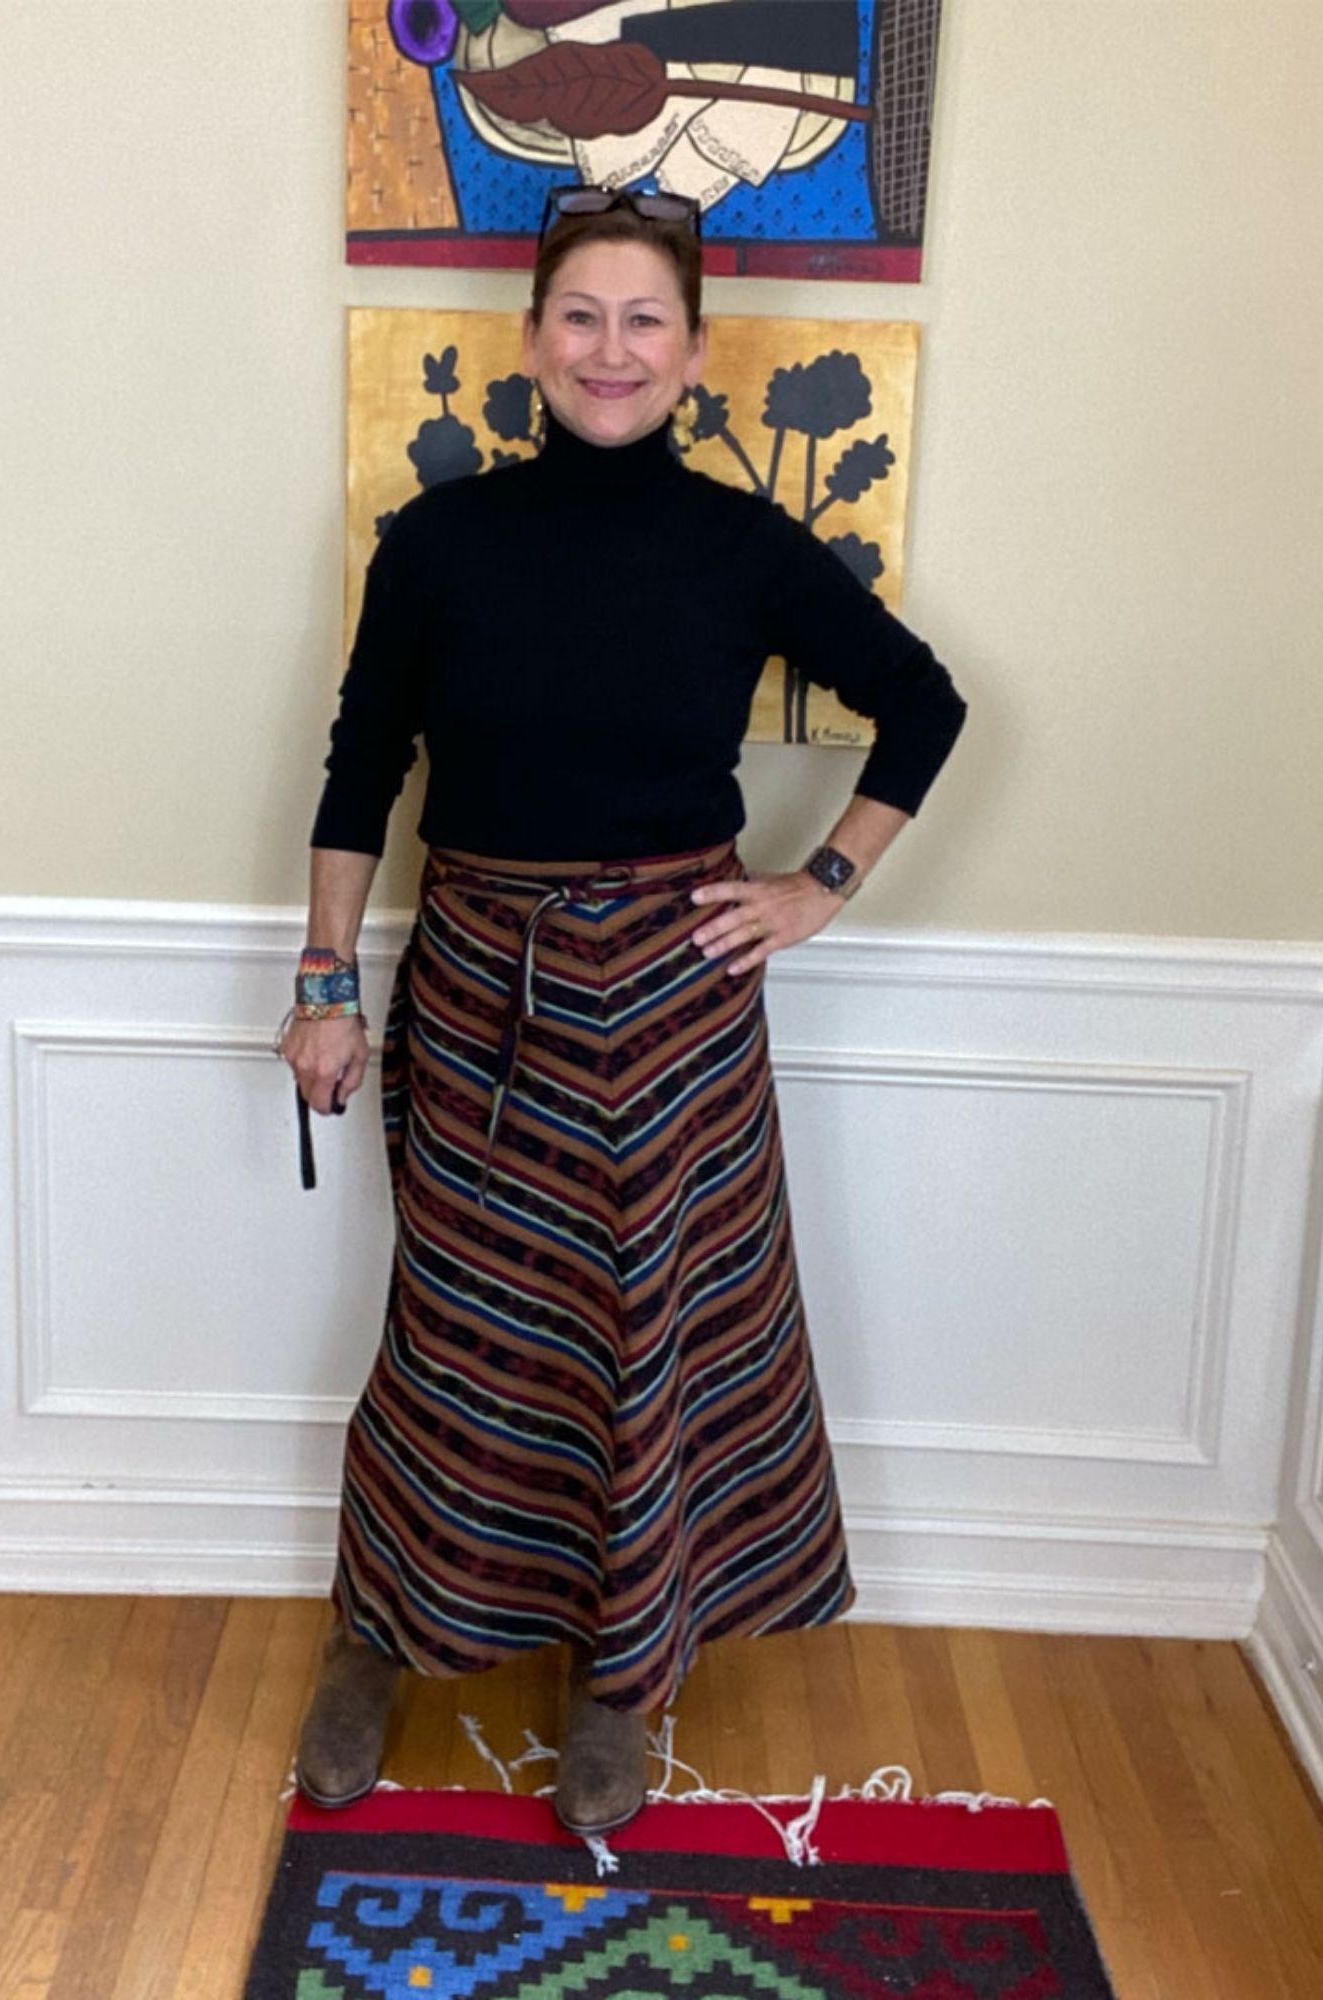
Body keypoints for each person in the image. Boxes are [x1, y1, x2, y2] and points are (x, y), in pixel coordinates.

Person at [279, 185, 966, 1837]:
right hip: (480, 990)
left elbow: (926, 704)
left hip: (680, 1003)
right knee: (452, 1340)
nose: (611, 348)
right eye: (580, 316)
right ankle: (379, 1634)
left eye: (643, 319)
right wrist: (321, 982)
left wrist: (821, 885)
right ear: (531, 341)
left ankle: (621, 1673)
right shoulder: (435, 544)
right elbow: (361, 771)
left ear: (694, 351)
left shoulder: (742, 545)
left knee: (646, 1342)